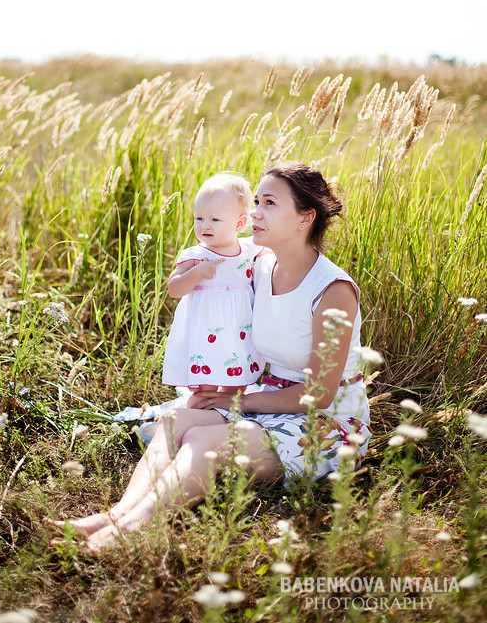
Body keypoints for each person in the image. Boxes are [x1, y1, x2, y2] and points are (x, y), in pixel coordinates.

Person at [47, 163, 371, 552]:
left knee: (203, 439)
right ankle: (116, 514)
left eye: (269, 203)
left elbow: (317, 395)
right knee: (175, 420)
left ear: (305, 217)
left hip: (326, 421)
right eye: (255, 202)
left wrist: (237, 401)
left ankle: (132, 528)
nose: (254, 214)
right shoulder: (260, 262)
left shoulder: (332, 289)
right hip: (268, 396)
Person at [162, 172, 264, 391]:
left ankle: (227, 413)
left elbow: (277, 249)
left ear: (240, 223)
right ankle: (202, 404)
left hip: (238, 330)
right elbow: (173, 289)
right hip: (205, 333)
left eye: (215, 219)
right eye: (199, 218)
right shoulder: (196, 255)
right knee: (204, 384)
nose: (205, 226)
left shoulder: (247, 249)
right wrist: (197, 272)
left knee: (236, 384)